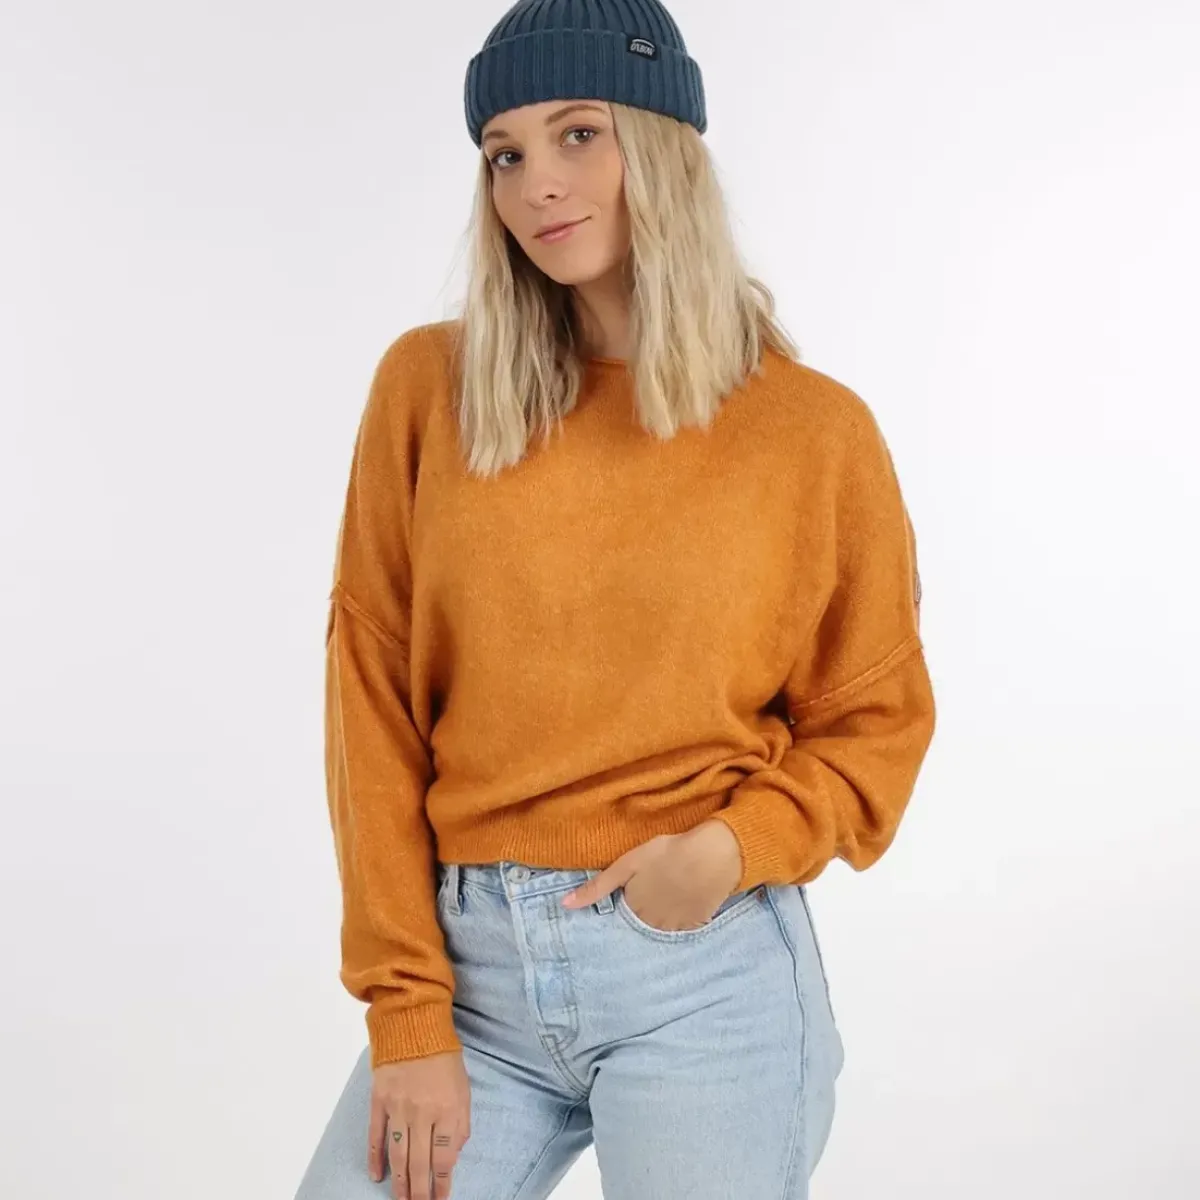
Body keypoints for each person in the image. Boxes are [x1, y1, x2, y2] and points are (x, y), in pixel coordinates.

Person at [295, 1, 936, 1197]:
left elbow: (876, 722)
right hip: (470, 976)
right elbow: (369, 700)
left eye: (578, 133)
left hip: (702, 971)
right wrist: (408, 1012)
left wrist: (728, 852)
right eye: (505, 153)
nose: (537, 181)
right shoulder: (430, 389)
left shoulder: (812, 433)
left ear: (664, 143)